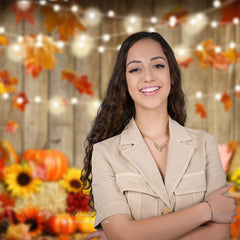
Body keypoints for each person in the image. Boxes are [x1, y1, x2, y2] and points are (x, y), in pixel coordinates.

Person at [81, 31, 237, 240]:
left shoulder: (205, 144)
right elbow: (122, 235)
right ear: (125, 82)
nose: (148, 76)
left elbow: (220, 235)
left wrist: (132, 235)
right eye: (135, 69)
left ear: (171, 75)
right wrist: (207, 210)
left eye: (158, 65)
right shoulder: (104, 153)